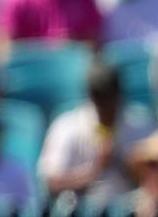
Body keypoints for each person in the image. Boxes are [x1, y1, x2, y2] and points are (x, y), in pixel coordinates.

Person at [39, 60, 154, 208]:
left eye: (110, 100)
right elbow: (51, 183)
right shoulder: (67, 126)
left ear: (119, 95)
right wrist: (95, 170)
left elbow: (153, 182)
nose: (106, 108)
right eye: (100, 101)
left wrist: (124, 164)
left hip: (132, 216)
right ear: (91, 97)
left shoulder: (142, 124)